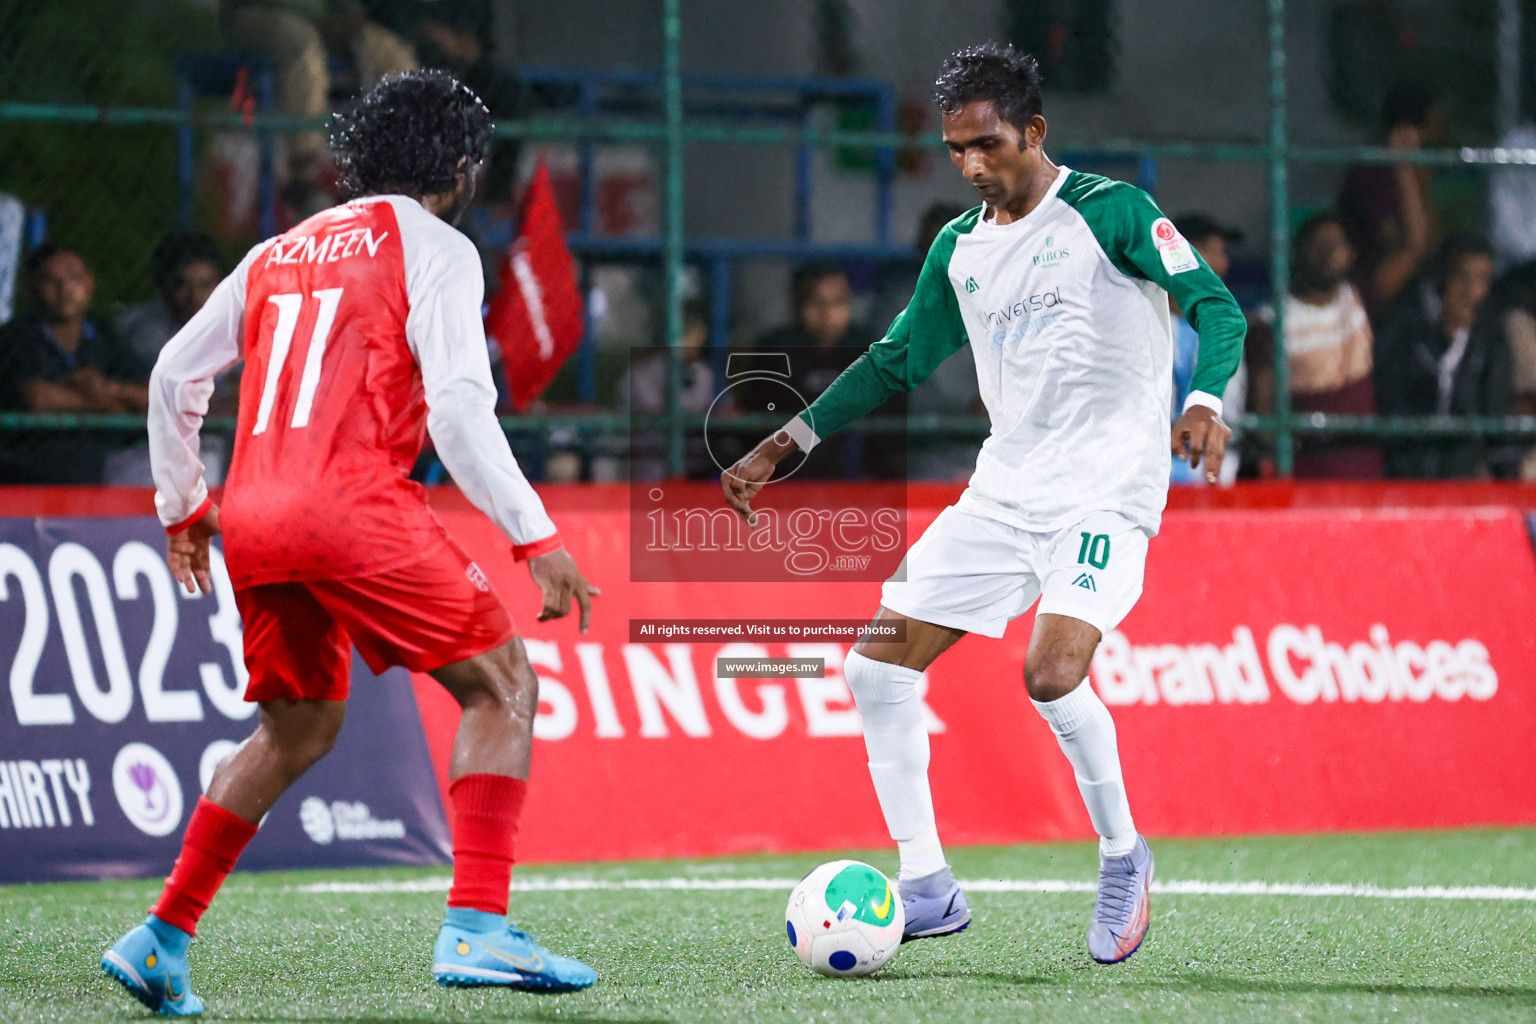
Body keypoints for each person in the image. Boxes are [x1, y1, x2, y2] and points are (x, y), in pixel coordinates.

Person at [722, 44, 1244, 965]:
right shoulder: (960, 249)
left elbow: (1216, 306)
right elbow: (893, 360)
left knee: (1050, 673)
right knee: (875, 669)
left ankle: (1125, 855)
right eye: (956, 149)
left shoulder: (1111, 212)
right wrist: (789, 439)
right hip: (1004, 493)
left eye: (988, 145)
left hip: (1104, 495)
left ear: (1033, 133)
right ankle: (926, 886)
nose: (971, 166)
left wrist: (1203, 402)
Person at [100, 71, 601, 1017]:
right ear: (458, 169)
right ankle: (478, 926)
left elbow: (173, 376)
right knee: (502, 686)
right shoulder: (438, 247)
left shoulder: (274, 251)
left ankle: (162, 935)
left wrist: (185, 508)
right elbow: (457, 408)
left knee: (295, 727)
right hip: (356, 505)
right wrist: (536, 537)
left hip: (252, 515)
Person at [1248, 212, 1383, 478]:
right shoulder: (1271, 322)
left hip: (1364, 462)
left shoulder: (1360, 297)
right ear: (1297, 253)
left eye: (1337, 243)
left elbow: (1412, 247)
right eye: (1318, 245)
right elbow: (1263, 414)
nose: (1329, 253)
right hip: (1308, 467)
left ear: (1351, 252)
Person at [0, 244, 149, 483]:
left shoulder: (104, 333)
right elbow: (38, 397)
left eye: (74, 278)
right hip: (28, 469)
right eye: (52, 281)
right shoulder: (17, 336)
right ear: (31, 289)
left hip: (100, 464)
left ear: (90, 283)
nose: (66, 289)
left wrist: (109, 389)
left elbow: (151, 394)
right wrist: (112, 406)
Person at [1374, 235, 1509, 478]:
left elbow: (1493, 410)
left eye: (1481, 280)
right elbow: (1392, 393)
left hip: (1463, 469)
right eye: (1462, 277)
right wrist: (1443, 340)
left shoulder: (1490, 335)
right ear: (1443, 275)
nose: (1470, 291)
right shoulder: (1407, 320)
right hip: (1406, 465)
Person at [111, 233, 234, 486]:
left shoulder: (247, 325)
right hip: (148, 447)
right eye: (181, 285)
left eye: (205, 284)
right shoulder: (140, 331)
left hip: (224, 447)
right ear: (163, 286)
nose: (194, 297)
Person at [1337, 81, 1440, 317]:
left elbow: (1430, 242)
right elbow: (1412, 243)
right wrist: (1404, 165)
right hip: (1366, 272)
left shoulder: (1420, 168)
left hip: (1408, 275)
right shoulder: (1375, 170)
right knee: (1408, 258)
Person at [1169, 212, 1246, 484]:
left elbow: (1234, 410)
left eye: (1220, 252)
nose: (1219, 263)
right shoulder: (1144, 319)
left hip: (1218, 475)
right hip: (1155, 478)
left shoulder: (1227, 326)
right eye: (1207, 251)